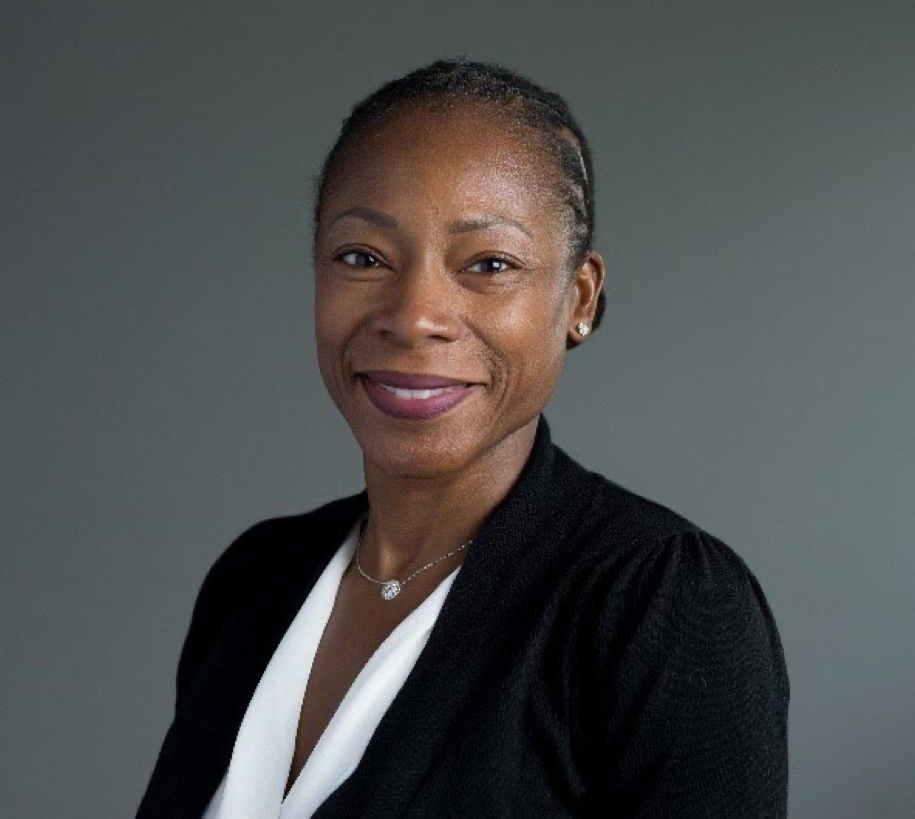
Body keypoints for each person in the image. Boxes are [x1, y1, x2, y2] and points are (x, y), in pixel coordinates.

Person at [137, 57, 789, 818]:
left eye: (488, 263)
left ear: (578, 298)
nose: (413, 316)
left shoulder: (658, 603)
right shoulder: (254, 580)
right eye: (362, 257)